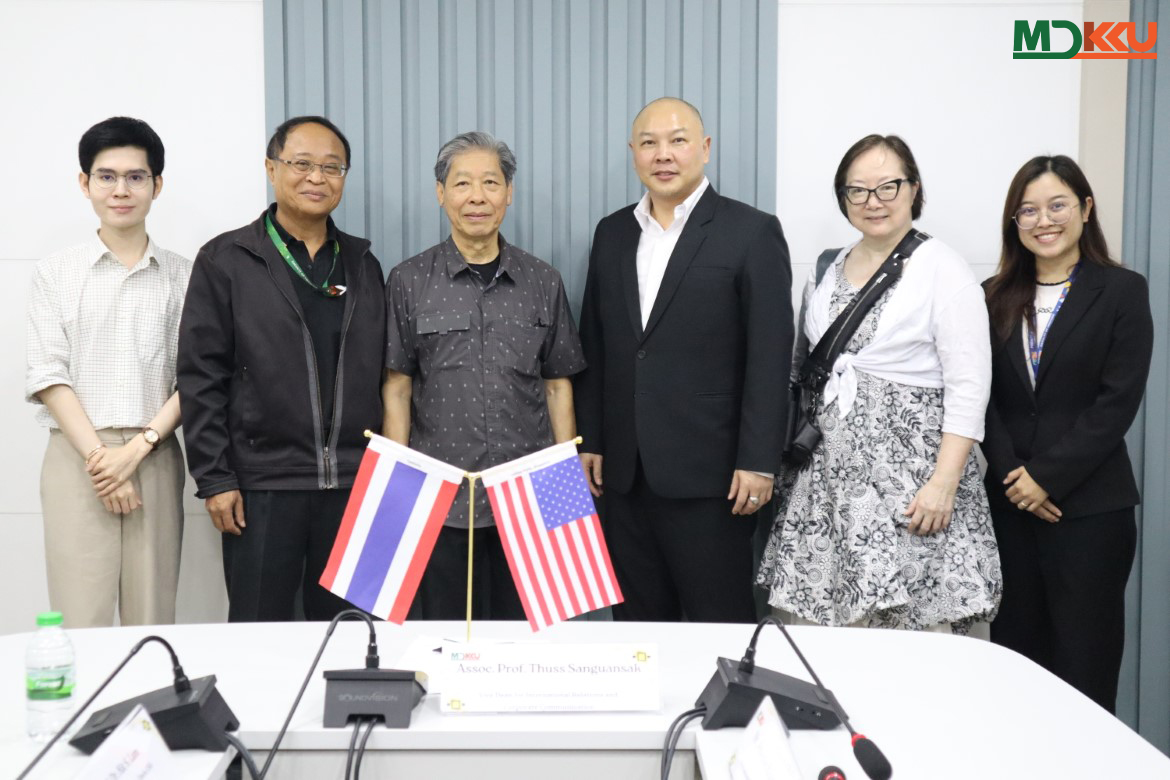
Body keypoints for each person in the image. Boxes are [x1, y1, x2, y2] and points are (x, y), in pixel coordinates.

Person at [758, 134, 1001, 633]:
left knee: (915, 642)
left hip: (913, 487)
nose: (874, 202)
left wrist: (943, 485)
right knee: (822, 635)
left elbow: (969, 387)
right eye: (858, 191)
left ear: (914, 189)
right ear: (843, 198)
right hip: (829, 483)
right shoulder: (828, 268)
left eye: (888, 186)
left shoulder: (943, 269)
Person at [574, 97, 792, 623]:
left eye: (677, 140)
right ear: (633, 153)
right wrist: (594, 440)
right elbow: (597, 345)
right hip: (624, 475)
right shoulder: (613, 232)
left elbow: (770, 354)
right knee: (637, 628)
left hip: (713, 476)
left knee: (719, 619)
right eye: (649, 142)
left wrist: (759, 459)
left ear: (705, 149)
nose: (663, 154)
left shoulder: (751, 231)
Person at [178, 116, 386, 621]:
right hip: (263, 485)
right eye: (302, 164)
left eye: (332, 167)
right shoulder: (226, 258)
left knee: (353, 637)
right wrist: (215, 477)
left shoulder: (362, 263)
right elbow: (200, 374)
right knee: (258, 629)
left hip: (354, 483)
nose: (317, 177)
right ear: (272, 169)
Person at [383, 131, 586, 619]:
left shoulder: (543, 280)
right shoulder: (408, 280)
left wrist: (567, 482)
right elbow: (398, 386)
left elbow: (558, 383)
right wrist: (399, 484)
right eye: (462, 184)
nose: (477, 197)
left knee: (530, 641)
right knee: (448, 637)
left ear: (508, 192)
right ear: (441, 193)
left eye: (491, 182)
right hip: (443, 497)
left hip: (532, 496)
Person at [982, 155, 1152, 713]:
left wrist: (1047, 478)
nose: (1042, 220)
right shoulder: (992, 294)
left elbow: (1117, 402)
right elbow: (978, 396)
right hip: (1010, 509)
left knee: (1086, 664)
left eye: (1057, 205)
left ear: (1085, 208)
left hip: (1090, 512)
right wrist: (1016, 480)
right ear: (1014, 222)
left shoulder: (1122, 291)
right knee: (1016, 663)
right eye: (1027, 210)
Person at [25, 117, 189, 628]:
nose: (122, 190)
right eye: (107, 176)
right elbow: (48, 374)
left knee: (152, 619)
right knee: (81, 619)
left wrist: (135, 450)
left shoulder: (186, 275)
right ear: (85, 183)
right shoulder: (56, 272)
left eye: (136, 177)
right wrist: (102, 461)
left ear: (157, 185)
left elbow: (196, 378)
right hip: (76, 461)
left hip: (155, 457)